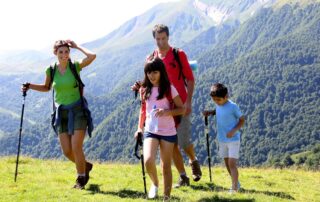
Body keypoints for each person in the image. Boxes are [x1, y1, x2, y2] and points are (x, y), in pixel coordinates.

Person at [132, 24, 202, 187]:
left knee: (183, 141)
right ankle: (183, 177)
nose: (161, 42)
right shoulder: (151, 58)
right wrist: (138, 86)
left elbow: (190, 79)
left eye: (163, 38)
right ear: (154, 39)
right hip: (161, 107)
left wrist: (188, 101)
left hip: (179, 104)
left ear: (168, 37)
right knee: (172, 144)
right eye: (158, 39)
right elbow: (148, 80)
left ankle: (193, 160)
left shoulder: (178, 54)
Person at [21, 40, 96, 189]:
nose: (64, 55)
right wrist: (30, 87)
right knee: (67, 151)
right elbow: (46, 87)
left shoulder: (75, 66)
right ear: (55, 53)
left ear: (69, 53)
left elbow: (92, 56)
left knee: (76, 147)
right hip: (61, 113)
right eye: (60, 52)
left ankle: (81, 178)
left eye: (66, 52)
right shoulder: (51, 70)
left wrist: (76, 46)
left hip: (78, 111)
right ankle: (85, 166)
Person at [134, 58, 185, 200]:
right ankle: (155, 183)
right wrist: (139, 128)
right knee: (148, 160)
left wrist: (167, 112)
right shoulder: (144, 89)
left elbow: (182, 109)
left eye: (155, 72)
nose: (152, 75)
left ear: (161, 72)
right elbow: (143, 110)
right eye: (149, 72)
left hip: (168, 131)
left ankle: (166, 197)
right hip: (150, 130)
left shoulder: (170, 89)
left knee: (165, 166)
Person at [202, 83, 245, 192]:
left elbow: (242, 120)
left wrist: (233, 131)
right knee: (227, 163)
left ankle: (234, 188)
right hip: (222, 139)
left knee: (232, 164)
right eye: (214, 100)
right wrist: (211, 112)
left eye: (218, 100)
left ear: (226, 96)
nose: (216, 102)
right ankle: (236, 183)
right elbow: (219, 111)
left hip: (233, 139)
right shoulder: (219, 104)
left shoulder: (233, 106)